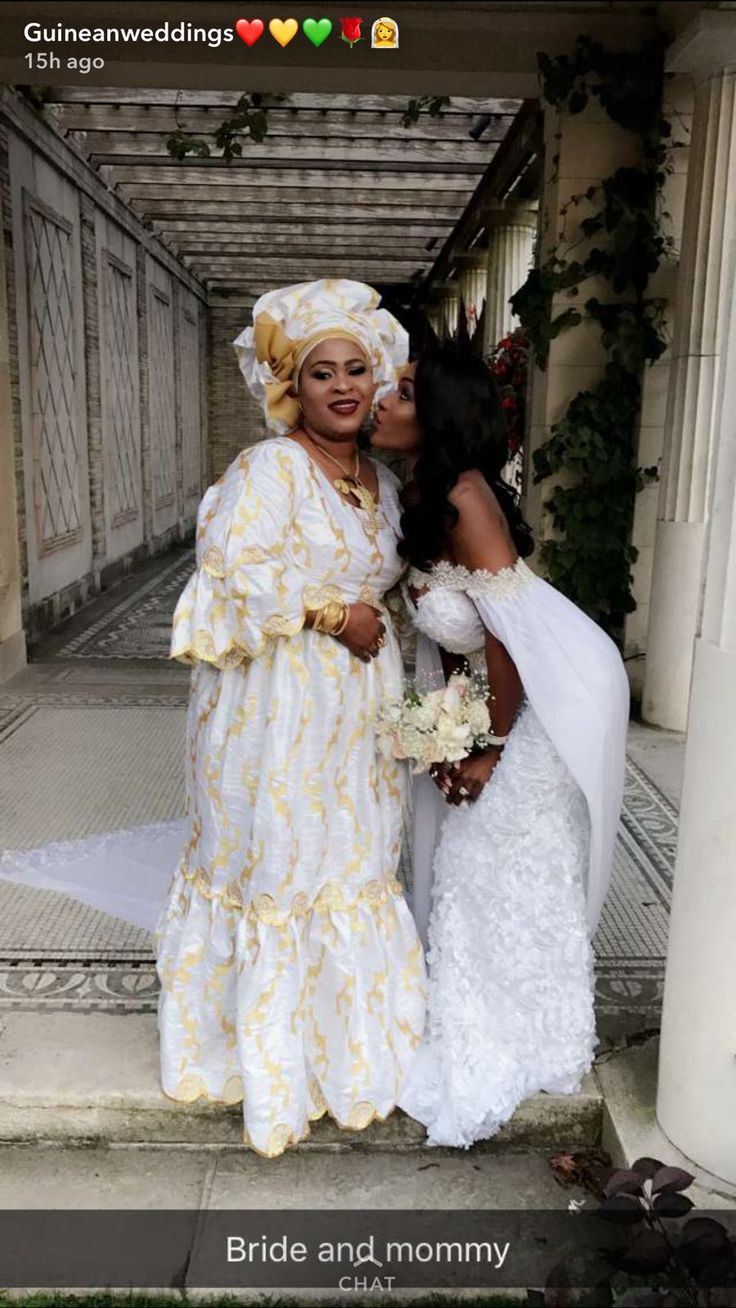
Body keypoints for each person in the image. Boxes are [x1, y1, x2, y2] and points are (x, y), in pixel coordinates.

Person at [0, 279, 427, 1158]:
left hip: (358, 710)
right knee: (277, 860)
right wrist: (328, 614)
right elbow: (233, 568)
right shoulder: (267, 469)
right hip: (271, 708)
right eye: (320, 373)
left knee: (349, 862)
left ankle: (346, 1056)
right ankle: (262, 1064)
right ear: (290, 388)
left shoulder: (380, 480)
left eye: (356, 369)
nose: (343, 386)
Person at [370, 344, 630, 1148]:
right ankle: (480, 1009)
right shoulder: (421, 489)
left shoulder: (467, 497)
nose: (383, 398)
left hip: (544, 699)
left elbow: (511, 637)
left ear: (440, 412)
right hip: (492, 695)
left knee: (502, 861)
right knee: (466, 862)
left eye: (405, 392)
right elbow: (458, 634)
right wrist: (448, 718)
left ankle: (528, 1033)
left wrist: (491, 744)